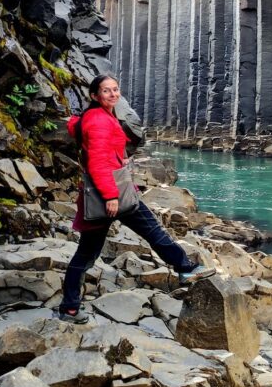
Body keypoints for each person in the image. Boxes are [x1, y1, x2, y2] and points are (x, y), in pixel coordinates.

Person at [57, 74, 214, 323]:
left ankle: (70, 308)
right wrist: (110, 196)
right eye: (106, 91)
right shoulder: (98, 119)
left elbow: (104, 152)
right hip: (110, 194)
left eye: (115, 89)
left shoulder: (98, 115)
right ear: (94, 96)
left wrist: (121, 160)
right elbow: (97, 162)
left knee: (87, 254)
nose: (113, 94)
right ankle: (185, 269)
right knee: (152, 232)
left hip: (111, 190)